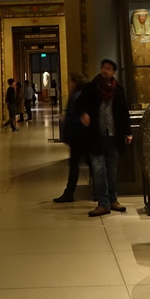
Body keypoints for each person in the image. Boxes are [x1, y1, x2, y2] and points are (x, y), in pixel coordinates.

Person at [79, 59, 132, 217]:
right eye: (103, 67)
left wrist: (128, 132)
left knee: (112, 171)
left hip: (113, 136)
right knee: (99, 171)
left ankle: (113, 200)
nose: (105, 70)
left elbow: (124, 112)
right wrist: (83, 114)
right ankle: (103, 203)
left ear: (113, 72)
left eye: (108, 68)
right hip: (96, 136)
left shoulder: (118, 90)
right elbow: (79, 105)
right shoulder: (91, 87)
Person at [53, 72, 90, 203]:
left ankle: (69, 193)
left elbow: (78, 118)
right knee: (87, 164)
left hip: (77, 137)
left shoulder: (75, 97)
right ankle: (99, 191)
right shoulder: (80, 95)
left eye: (70, 81)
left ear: (75, 83)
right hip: (80, 136)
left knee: (76, 165)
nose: (68, 84)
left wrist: (68, 122)